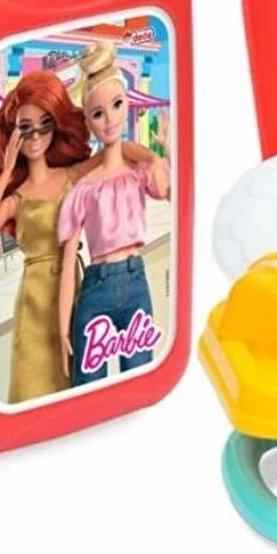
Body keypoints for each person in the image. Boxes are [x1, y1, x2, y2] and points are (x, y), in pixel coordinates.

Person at [57, 43, 171, 385]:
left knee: (137, 381)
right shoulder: (82, 189)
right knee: (87, 386)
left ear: (127, 105)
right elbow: (68, 264)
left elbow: (172, 194)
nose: (109, 120)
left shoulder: (138, 174)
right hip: (96, 286)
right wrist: (63, 330)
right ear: (88, 121)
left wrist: (163, 152)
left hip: (136, 282)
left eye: (117, 105)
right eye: (98, 113)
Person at [0, 71, 91, 403]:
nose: (35, 137)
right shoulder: (16, 199)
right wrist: (5, 173)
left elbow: (113, 155)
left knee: (76, 378)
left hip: (73, 286)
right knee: (33, 385)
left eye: (44, 125)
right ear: (13, 134)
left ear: (56, 126)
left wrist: (152, 159)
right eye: (25, 128)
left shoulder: (71, 175)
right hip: (34, 301)